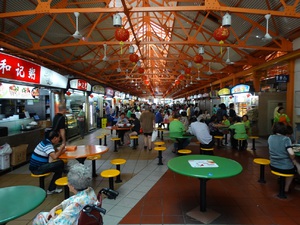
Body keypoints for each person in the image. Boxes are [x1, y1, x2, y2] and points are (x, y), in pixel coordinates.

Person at [32, 163, 98, 225]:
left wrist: (53, 219)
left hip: (73, 221)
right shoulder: (90, 191)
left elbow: (57, 223)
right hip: (85, 218)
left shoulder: (75, 205)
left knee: (40, 217)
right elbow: (71, 200)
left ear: (72, 186)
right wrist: (57, 207)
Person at [29, 130, 65, 195]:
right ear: (54, 138)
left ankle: (51, 189)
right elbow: (55, 157)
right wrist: (62, 148)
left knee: (59, 168)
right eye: (59, 138)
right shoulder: (48, 145)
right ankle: (51, 189)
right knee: (60, 163)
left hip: (36, 167)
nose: (59, 139)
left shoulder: (45, 142)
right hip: (37, 169)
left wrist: (61, 151)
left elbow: (55, 153)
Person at [268, 122, 300, 193]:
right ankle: (286, 188)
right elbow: (291, 153)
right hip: (285, 167)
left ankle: (281, 180)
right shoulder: (286, 139)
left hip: (273, 165)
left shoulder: (270, 137)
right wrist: (293, 159)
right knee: (296, 165)